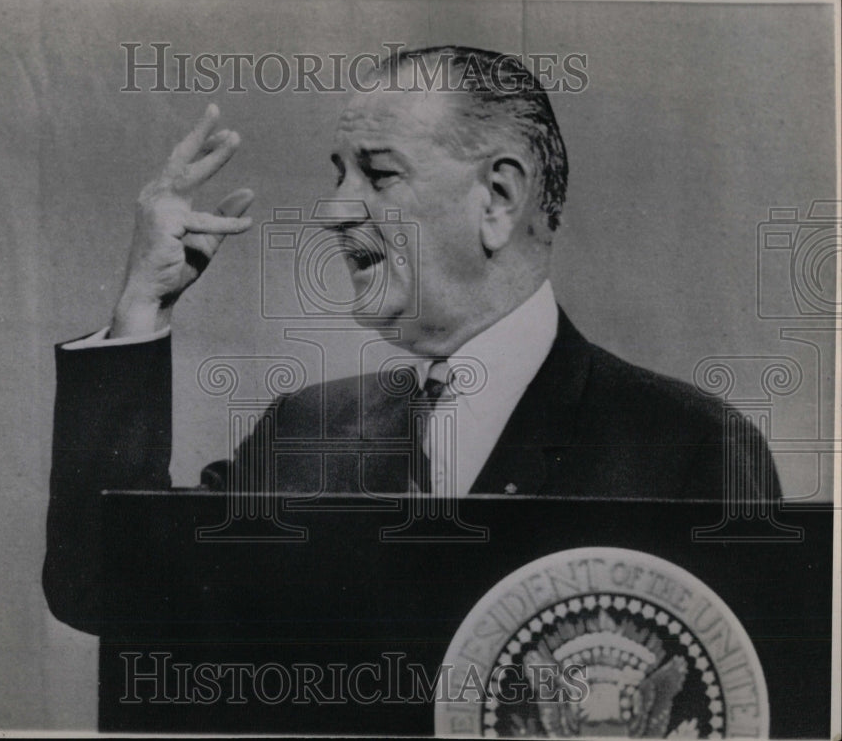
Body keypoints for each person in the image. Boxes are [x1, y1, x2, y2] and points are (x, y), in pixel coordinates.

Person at [44, 47, 781, 631]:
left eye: (379, 174)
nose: (335, 210)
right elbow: (107, 589)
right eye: (340, 174)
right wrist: (143, 304)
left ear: (497, 198)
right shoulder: (306, 429)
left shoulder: (688, 448)